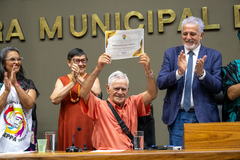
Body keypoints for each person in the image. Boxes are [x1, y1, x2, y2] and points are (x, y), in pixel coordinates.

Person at [157, 16, 222, 146]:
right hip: (178, 116)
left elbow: (218, 87)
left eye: (193, 34)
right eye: (185, 33)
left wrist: (202, 74)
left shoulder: (214, 55)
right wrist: (178, 73)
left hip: (204, 116)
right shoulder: (171, 53)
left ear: (201, 35)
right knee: (179, 156)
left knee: (205, 155)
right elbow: (161, 82)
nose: (188, 37)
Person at [79, 52, 157, 150]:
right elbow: (83, 93)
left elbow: (152, 94)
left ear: (128, 89)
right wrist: (98, 68)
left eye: (123, 89)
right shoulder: (99, 106)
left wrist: (148, 70)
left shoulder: (133, 102)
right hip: (106, 156)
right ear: (108, 89)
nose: (120, 92)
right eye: (116, 88)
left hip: (129, 155)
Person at [50, 48, 101, 151]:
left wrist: (78, 79)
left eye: (84, 60)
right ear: (69, 63)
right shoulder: (62, 80)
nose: (81, 64)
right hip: (69, 125)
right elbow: (54, 99)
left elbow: (97, 92)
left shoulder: (92, 78)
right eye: (77, 61)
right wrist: (72, 83)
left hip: (88, 124)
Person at [0, 47, 39, 152]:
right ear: (3, 63)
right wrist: (6, 91)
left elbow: (29, 104)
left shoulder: (27, 84)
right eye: (12, 59)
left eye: (18, 59)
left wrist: (16, 85)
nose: (16, 62)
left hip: (23, 140)